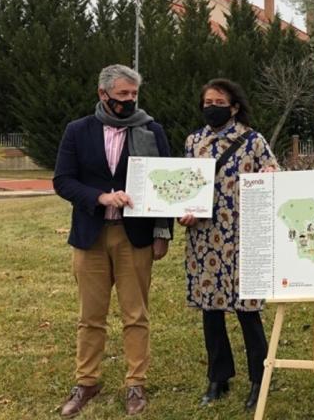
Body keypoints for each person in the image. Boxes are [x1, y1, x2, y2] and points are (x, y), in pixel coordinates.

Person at [53, 64, 173, 417]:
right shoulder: (77, 131)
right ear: (103, 94)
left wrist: (162, 232)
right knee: (90, 315)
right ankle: (87, 381)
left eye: (134, 94)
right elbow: (63, 181)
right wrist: (100, 197)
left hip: (134, 236)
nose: (129, 100)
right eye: (123, 94)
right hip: (90, 236)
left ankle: (136, 383)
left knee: (135, 314)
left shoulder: (152, 130)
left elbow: (166, 184)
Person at [178, 78, 278, 411]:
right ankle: (218, 377)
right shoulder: (194, 141)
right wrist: (184, 210)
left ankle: (259, 379)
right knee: (211, 309)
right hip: (205, 238)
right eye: (207, 102)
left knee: (248, 311)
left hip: (244, 235)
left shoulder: (252, 140)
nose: (212, 107)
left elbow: (275, 170)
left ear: (234, 106)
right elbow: (185, 186)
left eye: (219, 101)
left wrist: (269, 174)